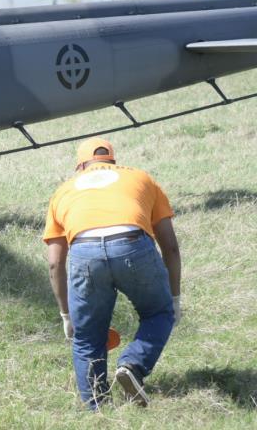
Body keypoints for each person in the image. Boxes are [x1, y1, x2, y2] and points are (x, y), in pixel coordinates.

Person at [43, 138, 181, 410]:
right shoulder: (140, 178)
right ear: (113, 162)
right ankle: (133, 364)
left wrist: (67, 315)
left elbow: (55, 263)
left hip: (83, 250)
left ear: (80, 166)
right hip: (132, 242)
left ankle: (99, 411)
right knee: (159, 313)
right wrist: (174, 299)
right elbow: (171, 247)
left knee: (87, 337)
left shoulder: (63, 191)